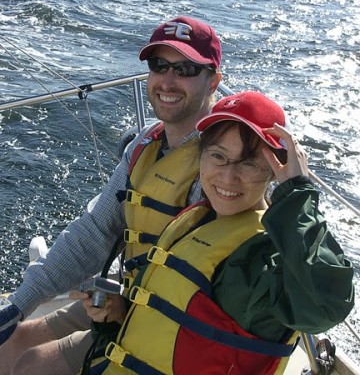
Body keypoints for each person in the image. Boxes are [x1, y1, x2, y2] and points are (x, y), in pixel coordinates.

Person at [0, 16, 223, 375]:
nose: (167, 80)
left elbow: (208, 288)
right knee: (9, 343)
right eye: (159, 65)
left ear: (214, 80)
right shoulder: (146, 144)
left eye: (184, 69)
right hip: (127, 296)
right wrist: (18, 305)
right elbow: (96, 231)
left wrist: (125, 311)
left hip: (170, 324)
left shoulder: (221, 168)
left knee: (31, 367)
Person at [82, 91, 354, 375]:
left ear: (276, 171)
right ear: (200, 157)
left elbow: (328, 304)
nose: (228, 176)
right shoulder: (196, 220)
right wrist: (117, 317)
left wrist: (297, 192)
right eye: (218, 156)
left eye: (249, 163)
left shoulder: (262, 259)